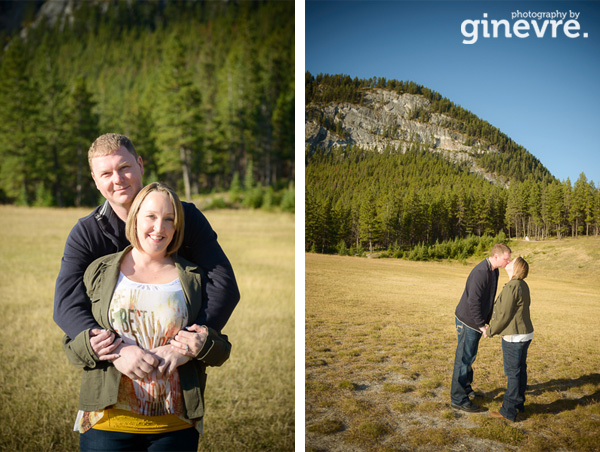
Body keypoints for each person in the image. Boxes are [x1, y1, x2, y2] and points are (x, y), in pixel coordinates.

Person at [54, 133, 239, 379]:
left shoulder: (186, 218)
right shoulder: (87, 232)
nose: (118, 179)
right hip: (113, 375)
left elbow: (223, 284)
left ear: (140, 165)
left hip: (176, 369)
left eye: (124, 167)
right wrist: (116, 349)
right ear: (95, 180)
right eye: (106, 174)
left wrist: (187, 342)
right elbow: (66, 303)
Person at [63, 182, 231, 451]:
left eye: (169, 219)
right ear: (134, 218)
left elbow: (221, 350)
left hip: (175, 426)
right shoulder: (101, 272)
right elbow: (72, 346)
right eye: (151, 217)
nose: (159, 227)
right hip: (107, 424)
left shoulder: (195, 279)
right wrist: (114, 352)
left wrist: (193, 348)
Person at [450, 243, 512, 413]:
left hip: (475, 323)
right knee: (463, 360)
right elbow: (473, 302)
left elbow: (488, 299)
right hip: (468, 322)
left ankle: (466, 389)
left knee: (469, 358)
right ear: (497, 256)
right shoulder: (480, 272)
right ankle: (458, 399)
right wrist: (481, 325)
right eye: (507, 259)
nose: (509, 261)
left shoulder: (494, 271)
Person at [487, 257, 533, 422]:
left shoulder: (512, 286)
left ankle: (508, 410)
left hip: (515, 336)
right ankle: (518, 405)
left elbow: (504, 315)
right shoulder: (522, 285)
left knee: (513, 373)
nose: (508, 263)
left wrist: (490, 331)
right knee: (520, 370)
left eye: (512, 262)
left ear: (516, 268)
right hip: (524, 334)